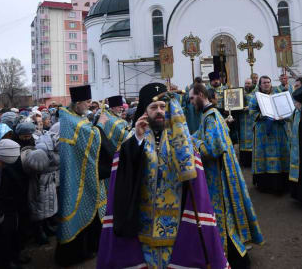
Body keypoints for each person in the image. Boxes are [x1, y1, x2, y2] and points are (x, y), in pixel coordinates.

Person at [100, 83, 228, 269]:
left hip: (177, 222)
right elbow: (123, 174)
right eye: (154, 107)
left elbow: (192, 174)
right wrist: (137, 138)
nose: (159, 111)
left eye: (163, 107)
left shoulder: (181, 138)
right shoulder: (133, 137)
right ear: (145, 111)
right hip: (143, 222)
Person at [191, 83, 264, 269]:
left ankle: (235, 259)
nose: (191, 103)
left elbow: (212, 149)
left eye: (192, 98)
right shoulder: (210, 115)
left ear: (200, 94)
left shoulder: (211, 117)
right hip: (221, 173)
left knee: (223, 217)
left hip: (219, 177)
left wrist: (194, 142)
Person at [55, 85, 115, 267]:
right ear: (78, 102)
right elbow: (93, 136)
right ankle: (72, 255)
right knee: (76, 206)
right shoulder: (72, 121)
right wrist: (101, 124)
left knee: (86, 209)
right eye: (87, 102)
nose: (89, 105)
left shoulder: (73, 117)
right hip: (75, 175)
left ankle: (84, 250)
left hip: (79, 171)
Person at [249, 76, 290, 193]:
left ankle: (283, 182)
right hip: (262, 131)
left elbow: (286, 107)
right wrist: (263, 115)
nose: (266, 84)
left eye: (268, 82)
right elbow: (252, 112)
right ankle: (265, 183)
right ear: (260, 85)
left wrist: (283, 114)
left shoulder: (278, 94)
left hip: (278, 129)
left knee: (281, 152)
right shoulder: (255, 97)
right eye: (264, 83)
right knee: (263, 155)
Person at [0, 139, 23, 269]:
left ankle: (12, 257)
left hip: (10, 206)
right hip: (2, 211)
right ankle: (6, 263)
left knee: (11, 234)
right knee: (3, 239)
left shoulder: (4, 167)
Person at [239, 78, 256, 168]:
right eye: (246, 83)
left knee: (252, 140)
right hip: (242, 120)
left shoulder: (256, 94)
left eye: (249, 83)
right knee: (243, 140)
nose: (247, 85)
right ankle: (244, 162)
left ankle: (251, 161)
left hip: (252, 120)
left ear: (252, 84)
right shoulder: (241, 93)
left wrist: (249, 107)